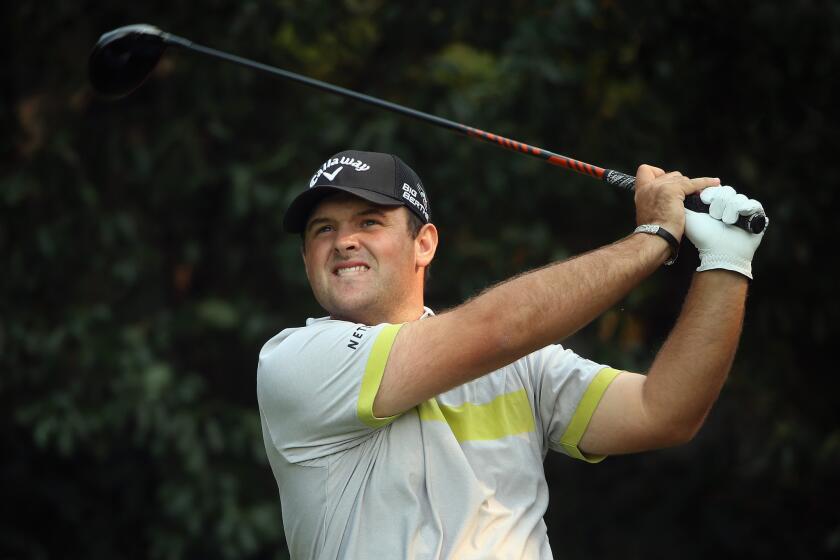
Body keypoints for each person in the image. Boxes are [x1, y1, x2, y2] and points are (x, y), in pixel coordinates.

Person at [256, 149, 766, 559]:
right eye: (323, 229)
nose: (343, 241)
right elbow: (496, 329)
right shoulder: (295, 361)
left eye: (369, 222)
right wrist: (653, 238)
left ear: (424, 244)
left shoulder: (523, 366)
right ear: (306, 258)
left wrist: (726, 264)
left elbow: (664, 412)